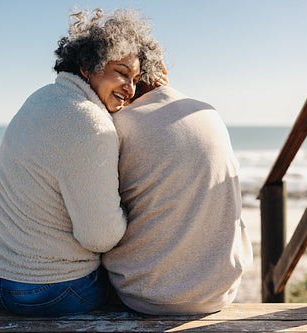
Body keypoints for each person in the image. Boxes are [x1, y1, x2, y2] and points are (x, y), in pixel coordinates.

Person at [0, 8, 164, 317]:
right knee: (140, 286)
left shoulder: (40, 97)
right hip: (48, 290)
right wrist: (129, 209)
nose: (129, 88)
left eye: (136, 80)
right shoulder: (92, 126)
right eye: (121, 72)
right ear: (88, 65)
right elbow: (99, 237)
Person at [103, 69, 253, 315]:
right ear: (162, 71)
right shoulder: (208, 112)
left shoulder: (119, 124)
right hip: (220, 292)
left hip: (145, 296)